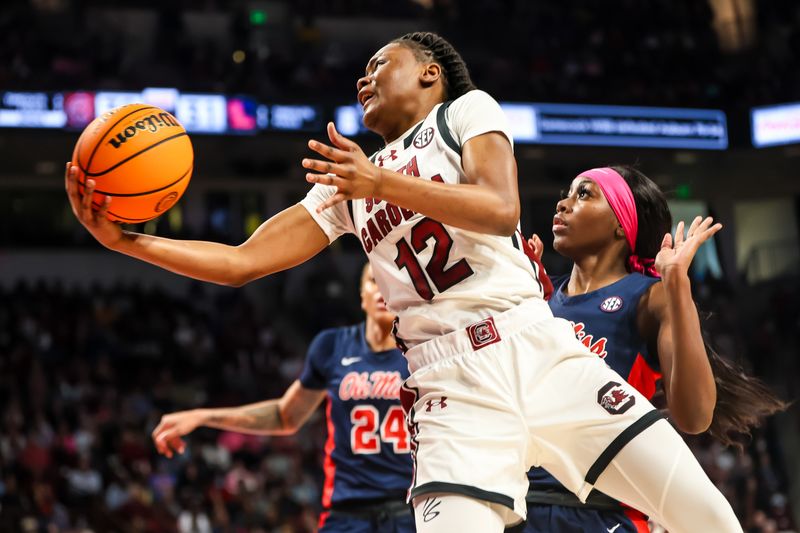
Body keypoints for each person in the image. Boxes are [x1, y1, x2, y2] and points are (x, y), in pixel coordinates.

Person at [66, 32, 743, 532]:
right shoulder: (349, 184)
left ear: (429, 73)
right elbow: (244, 260)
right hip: (451, 388)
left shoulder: (466, 113)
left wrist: (378, 180)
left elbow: (501, 206)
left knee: (708, 517)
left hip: (535, 347)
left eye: (377, 65)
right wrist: (126, 241)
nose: (363, 78)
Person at [522, 165, 787, 533]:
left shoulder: (649, 297)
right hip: (522, 506)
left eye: (583, 194)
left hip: (604, 510)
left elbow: (695, 417)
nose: (562, 204)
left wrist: (677, 284)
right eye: (567, 193)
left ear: (621, 224)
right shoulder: (537, 294)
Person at [151, 264, 415, 533]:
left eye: (390, 282)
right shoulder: (332, 346)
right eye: (374, 280)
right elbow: (285, 416)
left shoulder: (421, 350)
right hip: (346, 512)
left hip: (410, 508)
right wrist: (202, 416)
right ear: (361, 293)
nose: (382, 289)